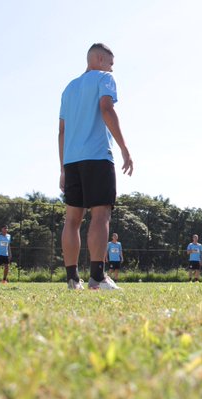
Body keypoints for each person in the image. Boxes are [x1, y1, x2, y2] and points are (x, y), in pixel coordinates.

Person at [59, 43, 134, 290]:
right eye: (111, 63)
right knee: (101, 215)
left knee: (72, 219)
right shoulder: (105, 78)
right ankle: (97, 277)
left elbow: (61, 131)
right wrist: (124, 147)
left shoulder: (69, 88)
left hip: (71, 161)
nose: (112, 68)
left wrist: (62, 168)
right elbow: (106, 107)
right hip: (97, 156)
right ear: (100, 59)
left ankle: (72, 280)